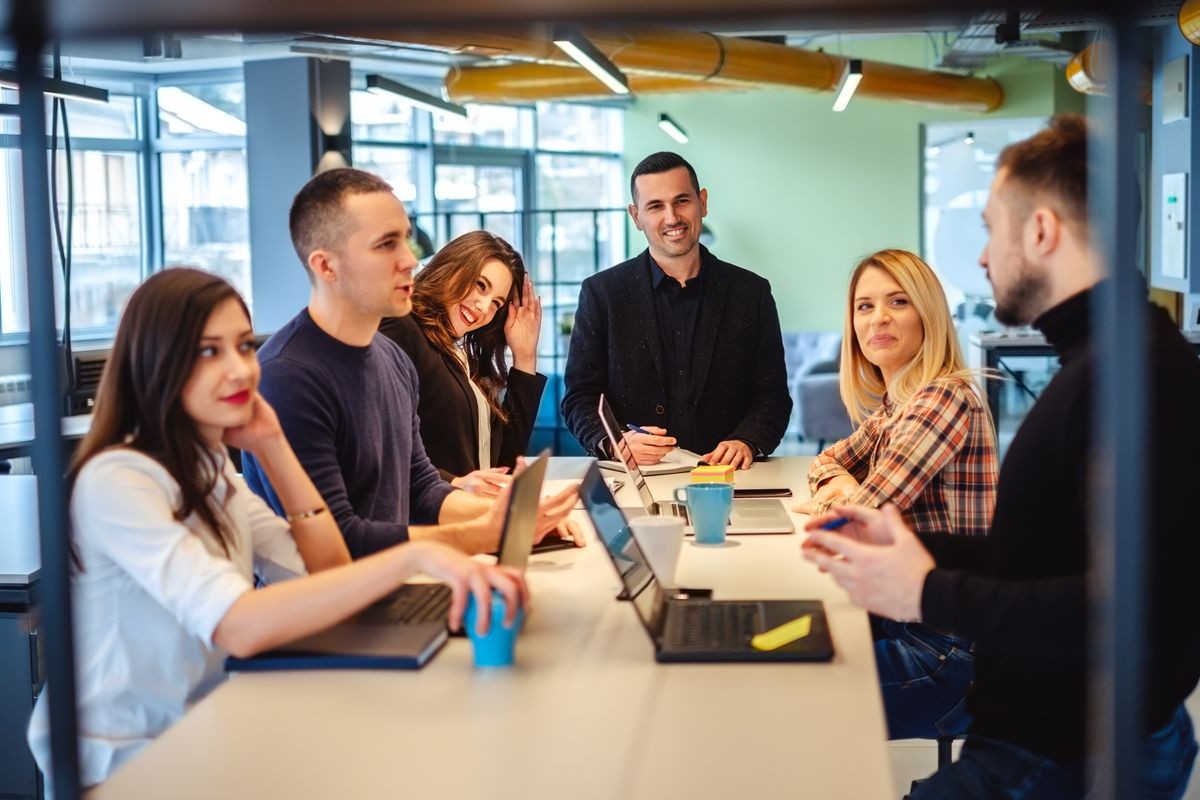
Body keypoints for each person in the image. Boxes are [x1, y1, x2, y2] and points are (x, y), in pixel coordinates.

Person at [803, 115, 1200, 798]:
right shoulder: (1103, 361)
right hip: (1031, 730)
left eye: (990, 230)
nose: (983, 258)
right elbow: (1045, 558)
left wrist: (925, 588)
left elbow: (1123, 607)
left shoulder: (1132, 376)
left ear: (1041, 231)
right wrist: (922, 547)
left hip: (1056, 751)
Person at [26, 268, 527, 789]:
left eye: (243, 346)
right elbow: (235, 623)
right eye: (207, 352)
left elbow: (325, 569)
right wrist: (416, 556)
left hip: (200, 727)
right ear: (156, 364)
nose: (240, 369)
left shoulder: (209, 470)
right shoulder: (119, 480)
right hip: (122, 760)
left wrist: (270, 445)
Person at [242, 168, 575, 559]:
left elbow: (422, 488)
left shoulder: (390, 361)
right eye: (386, 244)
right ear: (326, 266)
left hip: (398, 581)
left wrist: (518, 518)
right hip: (330, 608)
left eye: (405, 240)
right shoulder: (289, 376)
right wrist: (485, 534)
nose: (409, 260)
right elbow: (334, 544)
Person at [799, 248, 998, 741]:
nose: (878, 318)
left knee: (788, 696)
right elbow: (824, 462)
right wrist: (842, 486)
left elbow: (852, 525)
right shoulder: (899, 404)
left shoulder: (942, 398)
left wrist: (845, 496)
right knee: (777, 651)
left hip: (945, 656)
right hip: (901, 620)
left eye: (898, 302)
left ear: (927, 313)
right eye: (864, 306)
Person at [561, 151, 792, 470]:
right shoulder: (602, 293)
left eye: (682, 201)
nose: (672, 218)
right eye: (655, 206)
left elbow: (772, 397)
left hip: (728, 478)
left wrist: (747, 440)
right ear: (636, 216)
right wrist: (615, 444)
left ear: (703, 202)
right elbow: (580, 397)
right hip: (636, 479)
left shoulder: (751, 293)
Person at [379, 231, 548, 498]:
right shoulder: (402, 327)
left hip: (475, 514)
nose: (483, 307)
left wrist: (525, 357)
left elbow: (503, 465)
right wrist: (454, 482)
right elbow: (381, 446)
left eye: (496, 303)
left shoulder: (458, 354)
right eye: (481, 285)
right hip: (433, 518)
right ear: (452, 267)